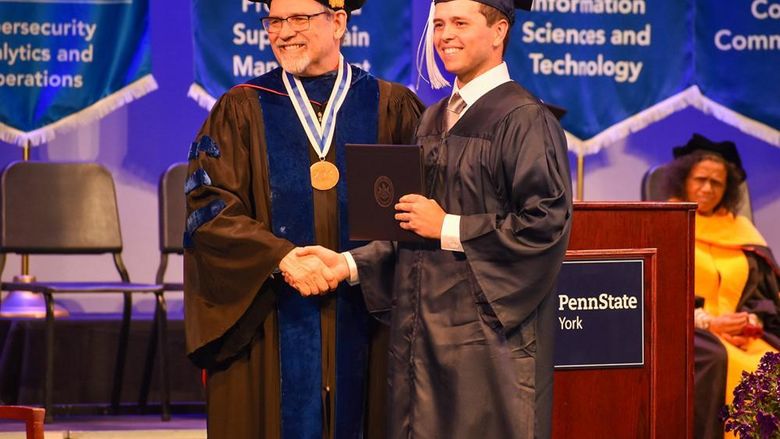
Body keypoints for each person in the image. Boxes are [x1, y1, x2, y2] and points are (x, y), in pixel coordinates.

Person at [299, 0, 573, 437]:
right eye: (439, 24)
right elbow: (411, 223)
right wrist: (348, 264)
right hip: (422, 335)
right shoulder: (432, 117)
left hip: (487, 342)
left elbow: (544, 223)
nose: (444, 35)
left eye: (460, 23)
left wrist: (448, 226)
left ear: (499, 30)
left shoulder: (524, 118)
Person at [183, 0, 424, 437]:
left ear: (338, 22)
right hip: (270, 316)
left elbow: (416, 216)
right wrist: (281, 257)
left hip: (368, 317)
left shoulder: (390, 106)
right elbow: (208, 208)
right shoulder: (240, 109)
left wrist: (355, 266)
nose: (283, 31)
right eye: (274, 20)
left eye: (298, 18)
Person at [664, 133, 780, 439]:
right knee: (721, 360)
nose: (707, 189)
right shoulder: (666, 221)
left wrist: (751, 321)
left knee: (772, 363)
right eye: (700, 179)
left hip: (740, 334)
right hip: (688, 327)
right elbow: (658, 290)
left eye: (716, 183)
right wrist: (711, 323)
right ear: (683, 180)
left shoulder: (741, 232)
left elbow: (762, 295)